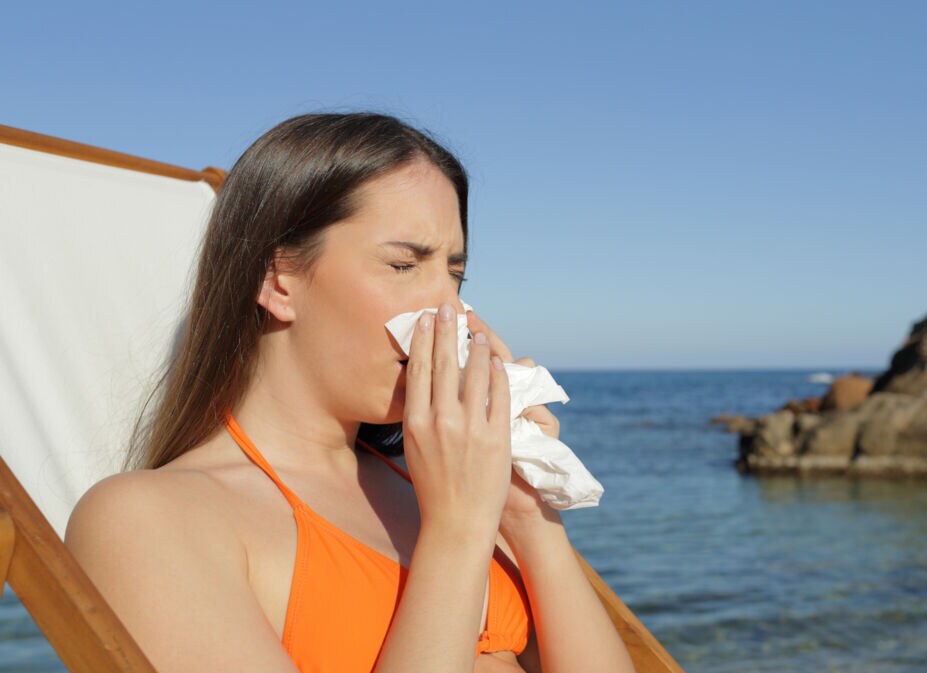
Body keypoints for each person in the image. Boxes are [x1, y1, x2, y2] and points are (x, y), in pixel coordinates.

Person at [64, 112, 636, 673]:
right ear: (277, 280)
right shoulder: (146, 520)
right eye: (403, 264)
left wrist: (525, 511)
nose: (452, 312)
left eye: (455, 274)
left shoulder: (439, 484)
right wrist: (457, 534)